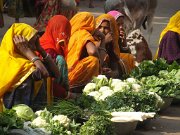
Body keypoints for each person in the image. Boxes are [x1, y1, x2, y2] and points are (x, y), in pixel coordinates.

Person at [0, 23, 60, 111]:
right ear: (20, 45)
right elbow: (44, 73)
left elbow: (56, 73)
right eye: (31, 41)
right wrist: (27, 51)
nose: (34, 44)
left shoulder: (29, 60)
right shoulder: (20, 64)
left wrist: (40, 49)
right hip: (16, 112)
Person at [66, 12, 100, 91]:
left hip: (66, 73)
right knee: (93, 61)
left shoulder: (71, 33)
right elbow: (92, 52)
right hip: (72, 76)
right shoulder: (83, 33)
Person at [39, 15, 71, 98]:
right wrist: (64, 93)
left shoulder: (43, 40)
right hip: (48, 89)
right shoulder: (48, 50)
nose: (63, 35)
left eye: (64, 31)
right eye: (61, 31)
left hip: (47, 86)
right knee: (60, 60)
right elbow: (48, 77)